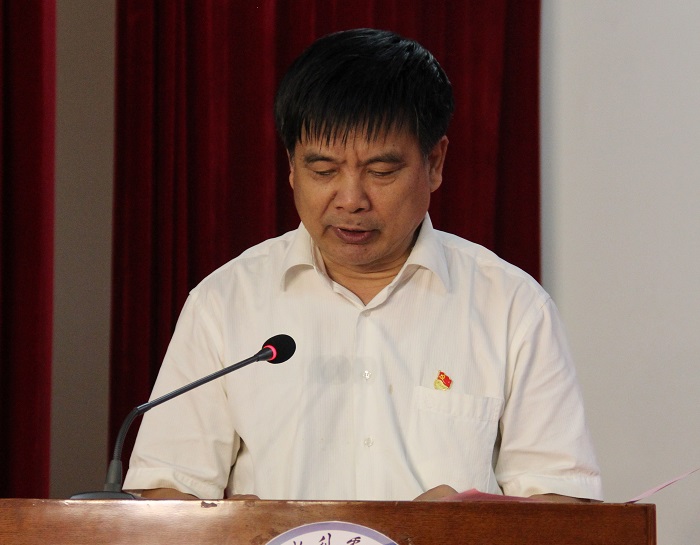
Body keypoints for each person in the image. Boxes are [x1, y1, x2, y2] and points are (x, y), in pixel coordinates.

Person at [123, 28, 602, 503]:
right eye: (323, 171)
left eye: (381, 172)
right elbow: (167, 489)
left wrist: (468, 528)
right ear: (291, 166)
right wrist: (235, 529)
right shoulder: (224, 302)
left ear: (435, 162)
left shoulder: (512, 306)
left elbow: (564, 505)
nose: (351, 199)